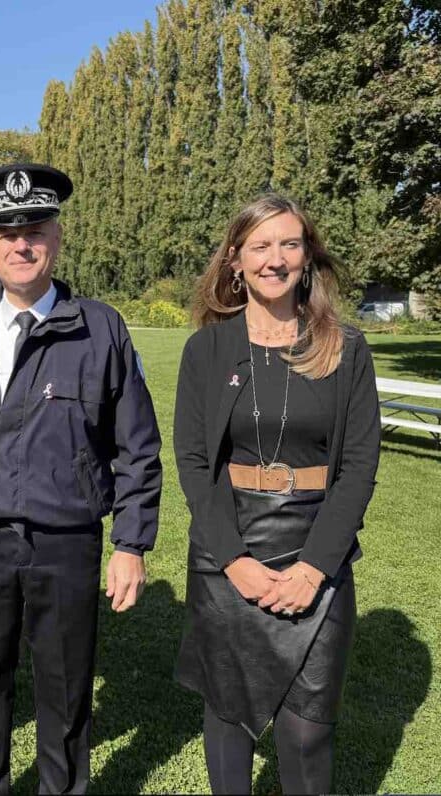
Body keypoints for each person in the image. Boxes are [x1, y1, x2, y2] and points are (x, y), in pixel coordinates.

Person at [0, 163, 163, 794]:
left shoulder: (100, 327)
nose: (20, 242)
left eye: (34, 227)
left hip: (66, 539)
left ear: (56, 234)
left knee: (64, 682)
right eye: (4, 228)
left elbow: (137, 445)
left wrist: (131, 543)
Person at [173, 194, 381, 794]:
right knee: (229, 716)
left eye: (289, 244)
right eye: (260, 246)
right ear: (235, 260)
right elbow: (193, 464)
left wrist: (314, 569)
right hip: (227, 557)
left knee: (307, 728)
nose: (275, 259)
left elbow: (360, 466)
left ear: (307, 256)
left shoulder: (345, 348)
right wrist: (234, 561)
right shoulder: (206, 351)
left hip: (316, 551)